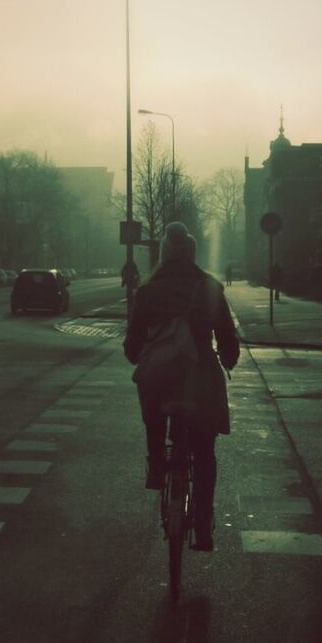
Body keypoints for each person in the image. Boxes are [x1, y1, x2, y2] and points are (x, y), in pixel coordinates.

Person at [124, 221, 240, 551]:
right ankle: (203, 528)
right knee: (204, 451)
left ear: (162, 254)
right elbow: (228, 341)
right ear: (192, 253)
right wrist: (228, 358)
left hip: (160, 377)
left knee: (153, 405)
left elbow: (132, 347)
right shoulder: (210, 287)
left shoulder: (147, 292)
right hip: (200, 377)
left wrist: (140, 354)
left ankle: (158, 466)